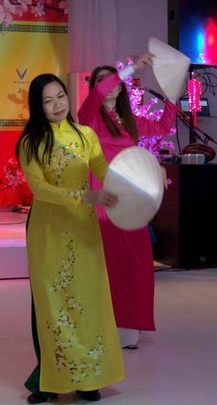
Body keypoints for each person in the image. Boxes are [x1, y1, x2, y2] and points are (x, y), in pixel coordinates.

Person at [16, 73, 124, 403]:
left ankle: (89, 379)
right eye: (47, 101)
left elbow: (104, 170)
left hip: (83, 229)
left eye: (60, 96)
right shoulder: (31, 142)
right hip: (48, 231)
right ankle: (49, 382)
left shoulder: (85, 134)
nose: (56, 105)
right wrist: (83, 196)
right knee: (52, 305)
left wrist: (138, 175)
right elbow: (40, 189)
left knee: (88, 302)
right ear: (37, 106)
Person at [77, 54, 177, 350]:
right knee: (107, 262)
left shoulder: (129, 121)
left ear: (121, 89)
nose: (107, 86)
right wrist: (130, 69)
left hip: (129, 198)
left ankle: (130, 324)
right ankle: (102, 324)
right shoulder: (89, 116)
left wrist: (172, 95)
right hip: (101, 195)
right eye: (101, 81)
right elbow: (96, 94)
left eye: (113, 82)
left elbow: (162, 127)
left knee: (137, 261)